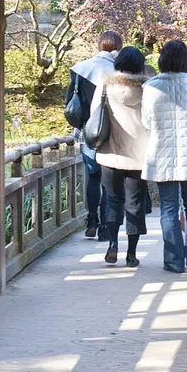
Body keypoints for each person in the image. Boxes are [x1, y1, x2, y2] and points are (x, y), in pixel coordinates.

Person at [142, 40, 187, 273]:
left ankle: (173, 260)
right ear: (186, 60)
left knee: (168, 208)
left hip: (162, 152)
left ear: (162, 59)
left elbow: (146, 122)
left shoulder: (151, 87)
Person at [91, 46, 152, 266]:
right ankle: (132, 254)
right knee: (135, 204)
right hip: (139, 155)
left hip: (111, 152)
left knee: (113, 200)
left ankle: (113, 245)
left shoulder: (105, 86)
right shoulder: (147, 89)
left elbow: (94, 114)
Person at [68, 30, 122, 238]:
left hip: (86, 131)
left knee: (93, 176)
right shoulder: (118, 70)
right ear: (118, 46)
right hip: (111, 130)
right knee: (108, 179)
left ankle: (91, 219)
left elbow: (70, 103)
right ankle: (105, 228)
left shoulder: (79, 69)